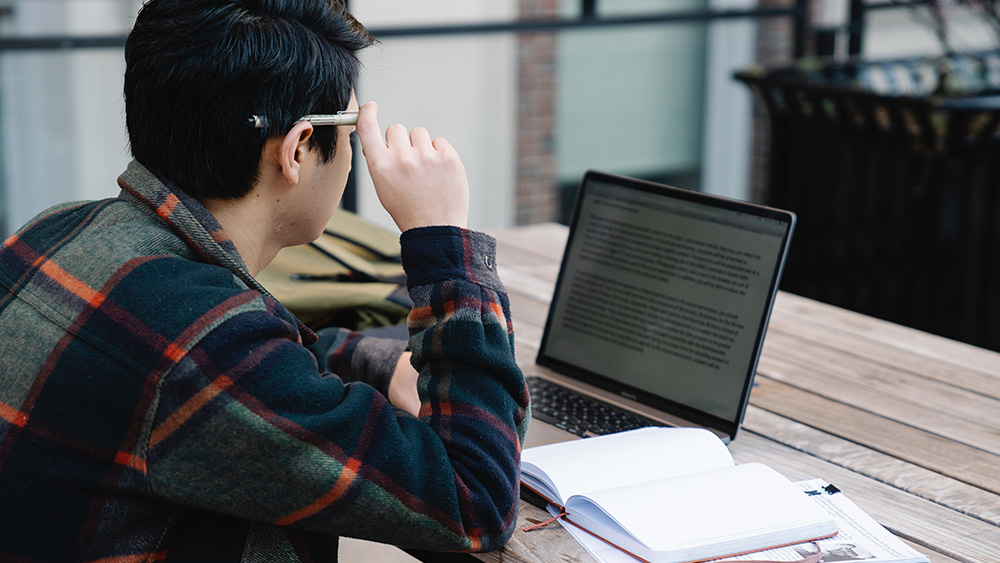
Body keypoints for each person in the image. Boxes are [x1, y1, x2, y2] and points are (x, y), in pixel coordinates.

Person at [0, 0, 529, 561]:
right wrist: (443, 239)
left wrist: (376, 362)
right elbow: (475, 501)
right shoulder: (206, 342)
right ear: (299, 148)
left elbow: (246, 363)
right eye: (352, 129)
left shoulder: (54, 231)